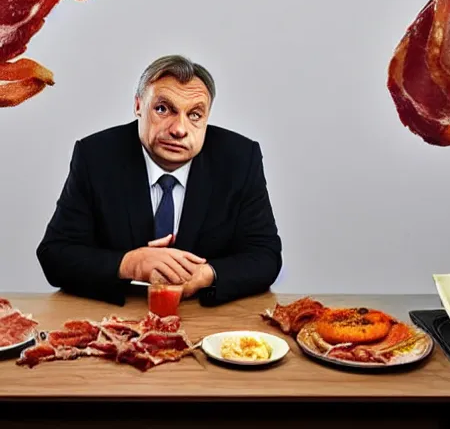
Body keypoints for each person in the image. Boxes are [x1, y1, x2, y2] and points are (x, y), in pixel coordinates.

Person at [36, 55, 282, 306]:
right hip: (119, 315)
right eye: (163, 109)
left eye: (195, 115)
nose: (179, 129)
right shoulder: (96, 156)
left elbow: (266, 256)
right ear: (138, 106)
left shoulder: (240, 159)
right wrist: (130, 264)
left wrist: (206, 274)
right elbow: (55, 254)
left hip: (206, 317)